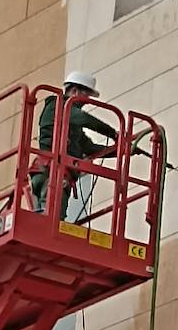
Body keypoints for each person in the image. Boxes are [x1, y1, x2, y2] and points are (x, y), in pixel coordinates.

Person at [30, 71, 117, 219]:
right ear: (75, 91)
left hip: (52, 175)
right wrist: (113, 133)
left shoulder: (72, 126)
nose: (86, 102)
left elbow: (90, 148)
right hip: (52, 174)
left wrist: (121, 150)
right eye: (86, 97)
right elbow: (84, 118)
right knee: (51, 222)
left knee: (47, 220)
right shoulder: (58, 106)